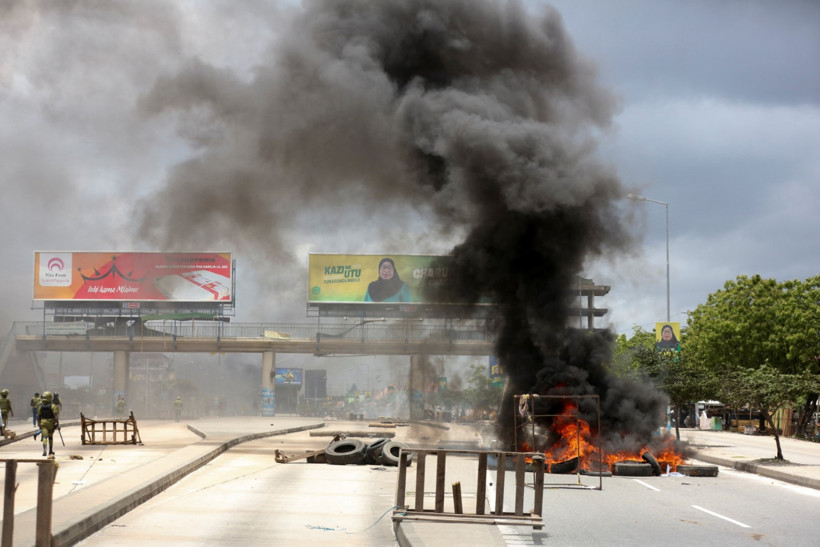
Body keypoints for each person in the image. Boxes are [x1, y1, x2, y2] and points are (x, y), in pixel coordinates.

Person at [37, 391, 59, 457]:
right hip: (50, 423)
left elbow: (39, 417)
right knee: (50, 437)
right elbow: (55, 416)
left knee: (44, 437)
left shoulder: (40, 407)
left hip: (43, 423)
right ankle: (50, 451)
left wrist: (39, 424)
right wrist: (57, 423)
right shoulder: (53, 406)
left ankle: (44, 451)